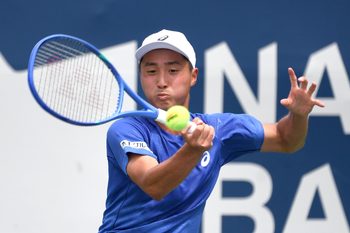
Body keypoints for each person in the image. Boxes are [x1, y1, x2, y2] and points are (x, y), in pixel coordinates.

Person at [98, 29, 325, 233]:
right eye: (151, 71)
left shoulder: (219, 130)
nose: (161, 81)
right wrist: (192, 151)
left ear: (193, 76)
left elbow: (287, 140)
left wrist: (298, 115)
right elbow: (154, 185)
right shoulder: (127, 129)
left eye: (173, 70)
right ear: (141, 76)